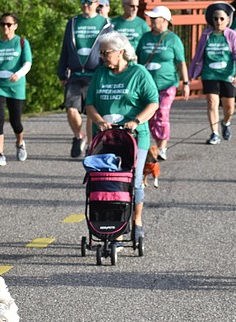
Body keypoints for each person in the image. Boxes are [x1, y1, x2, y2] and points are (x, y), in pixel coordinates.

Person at [85, 31, 158, 243]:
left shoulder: (139, 73)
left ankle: (136, 221)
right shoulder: (100, 73)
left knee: (133, 181)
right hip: (105, 137)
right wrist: (99, 121)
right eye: (100, 52)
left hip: (134, 137)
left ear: (121, 52)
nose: (102, 56)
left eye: (106, 52)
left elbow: (153, 103)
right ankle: (107, 221)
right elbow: (89, 104)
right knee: (105, 180)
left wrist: (135, 121)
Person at [57, 0, 113, 158]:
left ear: (96, 3)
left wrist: (109, 71)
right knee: (71, 108)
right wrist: (62, 72)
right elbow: (65, 48)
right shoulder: (73, 22)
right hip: (75, 74)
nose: (85, 4)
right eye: (83, 1)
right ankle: (78, 136)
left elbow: (111, 48)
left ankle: (90, 145)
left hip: (96, 73)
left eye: (89, 2)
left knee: (91, 110)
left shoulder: (105, 24)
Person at [138, 5, 191, 161]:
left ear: (164, 21)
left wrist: (186, 83)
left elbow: (181, 62)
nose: (151, 21)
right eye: (151, 18)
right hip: (147, 85)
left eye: (155, 19)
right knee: (148, 116)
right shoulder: (145, 38)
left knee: (162, 113)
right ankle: (149, 145)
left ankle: (162, 147)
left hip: (167, 84)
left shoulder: (173, 39)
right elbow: (137, 59)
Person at [0, 13, 32, 165]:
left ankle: (20, 143)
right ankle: (0, 154)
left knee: (15, 122)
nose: (5, 27)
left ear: (15, 26)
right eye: (2, 24)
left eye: (8, 24)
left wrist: (18, 74)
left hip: (15, 87)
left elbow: (27, 63)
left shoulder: (22, 42)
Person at [190, 3, 236, 145]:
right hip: (210, 74)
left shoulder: (232, 35)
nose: (218, 22)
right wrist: (191, 74)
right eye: (215, 19)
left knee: (229, 106)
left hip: (228, 75)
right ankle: (214, 133)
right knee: (212, 102)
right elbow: (198, 55)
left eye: (221, 18)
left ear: (227, 20)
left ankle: (226, 122)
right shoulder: (206, 35)